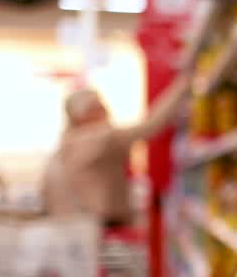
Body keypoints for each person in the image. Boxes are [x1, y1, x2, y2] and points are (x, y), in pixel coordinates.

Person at [41, 76, 190, 227]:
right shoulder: (100, 138)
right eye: (99, 107)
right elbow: (151, 126)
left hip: (75, 229)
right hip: (102, 226)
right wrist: (182, 84)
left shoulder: (65, 144)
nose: (106, 111)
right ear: (82, 115)